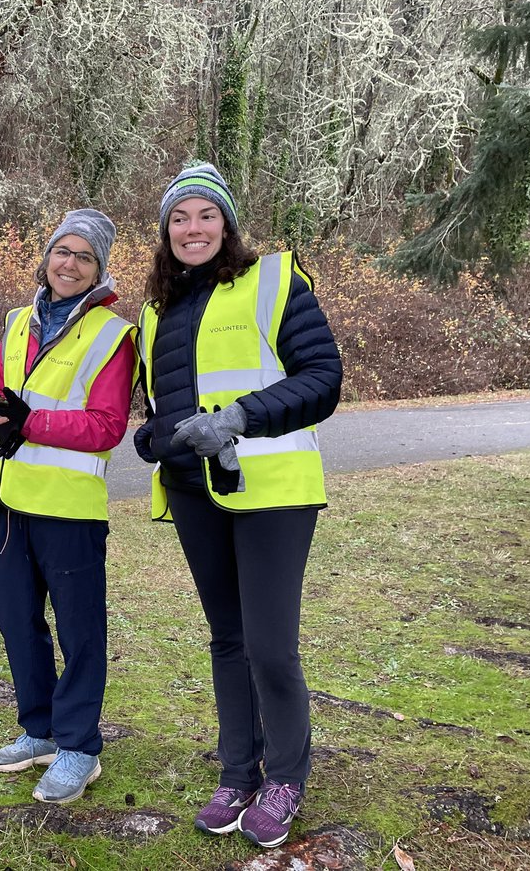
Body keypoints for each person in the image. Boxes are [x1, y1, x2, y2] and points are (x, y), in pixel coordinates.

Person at [133, 164, 342, 848]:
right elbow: (161, 408)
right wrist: (155, 436)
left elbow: (322, 379)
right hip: (197, 495)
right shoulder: (153, 310)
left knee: (271, 648)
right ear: (166, 232)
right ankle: (237, 770)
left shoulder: (274, 281)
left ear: (226, 223)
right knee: (227, 640)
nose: (192, 229)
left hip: (272, 492)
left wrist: (238, 419)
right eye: (180, 218)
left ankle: (285, 777)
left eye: (205, 215)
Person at [0, 209, 138, 804]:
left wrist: (30, 421)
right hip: (7, 500)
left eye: (84, 256)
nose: (69, 264)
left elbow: (107, 426)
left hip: (69, 508)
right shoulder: (19, 320)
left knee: (79, 631)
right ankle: (38, 731)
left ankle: (78, 747)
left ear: (99, 269)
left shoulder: (112, 335)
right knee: (17, 623)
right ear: (46, 257)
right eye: (61, 252)